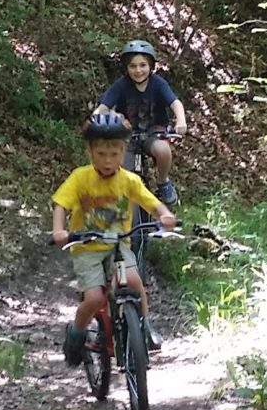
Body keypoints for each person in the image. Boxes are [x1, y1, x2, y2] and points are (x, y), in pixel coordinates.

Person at [50, 111, 177, 362]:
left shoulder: (129, 180)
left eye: (115, 154)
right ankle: (76, 333)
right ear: (90, 153)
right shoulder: (80, 178)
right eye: (101, 154)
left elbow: (150, 202)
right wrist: (59, 230)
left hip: (119, 244)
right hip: (87, 247)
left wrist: (165, 215)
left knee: (133, 281)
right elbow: (61, 205)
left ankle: (143, 328)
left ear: (124, 152)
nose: (108, 160)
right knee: (95, 297)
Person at [93, 39, 188, 205]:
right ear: (126, 68)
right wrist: (100, 120)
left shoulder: (158, 84)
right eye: (133, 66)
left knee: (163, 151)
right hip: (126, 135)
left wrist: (181, 120)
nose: (138, 70)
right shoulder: (121, 86)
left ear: (151, 66)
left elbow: (175, 103)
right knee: (122, 173)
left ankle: (163, 182)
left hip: (154, 132)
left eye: (143, 65)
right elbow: (102, 108)